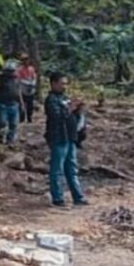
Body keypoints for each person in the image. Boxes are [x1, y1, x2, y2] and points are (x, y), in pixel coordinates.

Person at [45, 72, 88, 207]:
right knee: (57, 169)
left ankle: (78, 197)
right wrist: (70, 108)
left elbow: (72, 116)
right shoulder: (51, 100)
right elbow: (57, 116)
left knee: (72, 169)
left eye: (65, 84)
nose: (64, 86)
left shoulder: (64, 98)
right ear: (53, 83)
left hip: (70, 137)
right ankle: (57, 198)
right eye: (61, 83)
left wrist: (78, 109)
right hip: (58, 137)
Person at [0, 60, 22, 147]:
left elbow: (18, 91)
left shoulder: (16, 80)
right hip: (3, 104)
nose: (11, 73)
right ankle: (0, 137)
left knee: (13, 124)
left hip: (14, 104)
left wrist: (21, 104)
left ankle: (10, 140)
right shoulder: (1, 79)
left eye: (12, 71)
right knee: (2, 122)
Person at [16, 53, 37, 123]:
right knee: (21, 104)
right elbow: (18, 79)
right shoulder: (19, 69)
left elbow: (34, 77)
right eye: (24, 60)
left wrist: (33, 83)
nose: (26, 61)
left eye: (27, 59)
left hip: (30, 89)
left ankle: (29, 117)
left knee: (30, 105)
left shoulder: (31, 68)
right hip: (23, 89)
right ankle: (21, 118)